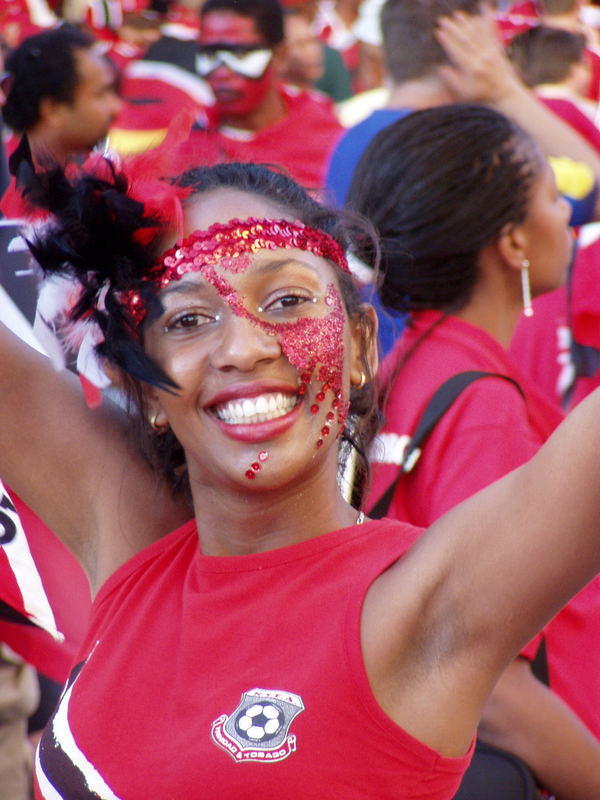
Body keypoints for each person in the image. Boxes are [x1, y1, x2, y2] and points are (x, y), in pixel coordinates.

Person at [1, 148, 600, 799]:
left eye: (287, 300)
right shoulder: (126, 534)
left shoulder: (424, 603)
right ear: (144, 389)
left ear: (361, 348)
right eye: (190, 319)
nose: (245, 346)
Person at [348, 103, 600, 799]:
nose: (569, 219)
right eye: (553, 197)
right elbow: (499, 696)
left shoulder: (406, 367)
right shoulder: (482, 407)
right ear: (513, 244)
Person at [325, 0, 600, 209]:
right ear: (465, 49)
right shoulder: (469, 149)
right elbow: (595, 195)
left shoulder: (348, 143)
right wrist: (505, 90)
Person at [180, 0, 344, 190]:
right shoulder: (187, 145)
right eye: (210, 54)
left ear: (280, 56)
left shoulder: (325, 135)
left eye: (240, 54)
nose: (222, 72)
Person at [0, 24, 122, 217]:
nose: (116, 107)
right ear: (54, 110)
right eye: (100, 94)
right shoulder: (15, 190)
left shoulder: (100, 169)